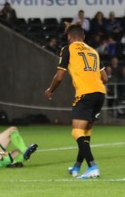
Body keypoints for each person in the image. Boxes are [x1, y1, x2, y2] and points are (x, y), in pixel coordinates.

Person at [45, 23, 108, 179]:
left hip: (85, 94)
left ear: (69, 37)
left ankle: (93, 167)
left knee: (77, 131)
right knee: (85, 132)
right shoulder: (93, 51)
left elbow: (59, 76)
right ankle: (77, 167)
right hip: (100, 93)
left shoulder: (68, 49)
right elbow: (105, 78)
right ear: (83, 37)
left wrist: (50, 90)